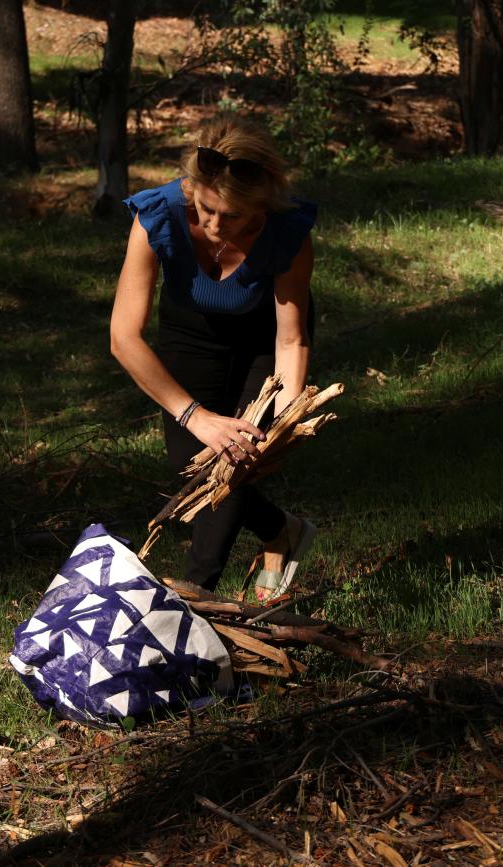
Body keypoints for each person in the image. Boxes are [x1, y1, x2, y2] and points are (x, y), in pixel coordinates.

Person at [110, 116, 318, 600]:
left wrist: (280, 425)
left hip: (264, 336)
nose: (216, 225)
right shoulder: (157, 216)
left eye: (234, 216)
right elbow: (123, 337)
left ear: (261, 204)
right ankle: (281, 532)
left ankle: (192, 599)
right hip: (190, 329)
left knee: (236, 458)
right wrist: (195, 416)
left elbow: (291, 341)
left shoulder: (287, 233)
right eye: (206, 209)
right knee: (193, 467)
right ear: (191, 187)